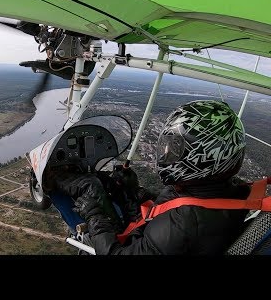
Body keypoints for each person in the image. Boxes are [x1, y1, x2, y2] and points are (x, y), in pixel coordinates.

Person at [54, 100, 251, 255]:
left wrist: (94, 216)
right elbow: (177, 206)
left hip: (131, 244)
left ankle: (52, 178)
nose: (167, 151)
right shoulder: (230, 191)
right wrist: (135, 191)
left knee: (88, 188)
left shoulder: (182, 226)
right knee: (103, 184)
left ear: (202, 159)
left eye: (177, 148)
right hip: (148, 235)